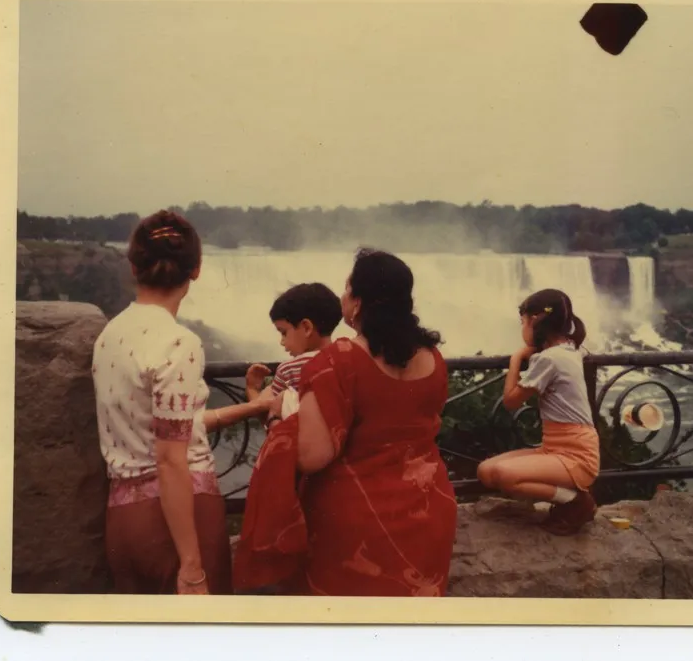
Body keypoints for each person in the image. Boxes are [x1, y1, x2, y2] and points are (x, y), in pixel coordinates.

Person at [236, 248, 458, 596]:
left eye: (347, 288)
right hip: (428, 510)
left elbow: (312, 456)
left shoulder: (337, 362)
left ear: (358, 303)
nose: (342, 296)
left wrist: (280, 420)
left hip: (359, 525)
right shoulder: (433, 358)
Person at [92, 210, 273, 595]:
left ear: (133, 267)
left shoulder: (109, 334)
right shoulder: (178, 342)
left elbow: (169, 426)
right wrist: (191, 564)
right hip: (178, 520)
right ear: (197, 270)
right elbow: (170, 459)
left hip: (124, 520)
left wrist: (253, 406)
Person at [475, 288, 601, 536]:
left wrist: (516, 359)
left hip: (577, 456)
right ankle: (570, 498)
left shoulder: (549, 359)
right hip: (555, 448)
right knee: (486, 472)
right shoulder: (569, 348)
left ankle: (576, 502)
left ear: (534, 321)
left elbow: (511, 401)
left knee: (504, 475)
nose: (522, 328)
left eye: (522, 322)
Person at [244, 283, 342, 421]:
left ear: (306, 328)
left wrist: (252, 389)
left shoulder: (289, 370)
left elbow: (265, 412)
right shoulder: (346, 359)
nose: (282, 342)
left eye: (284, 332)